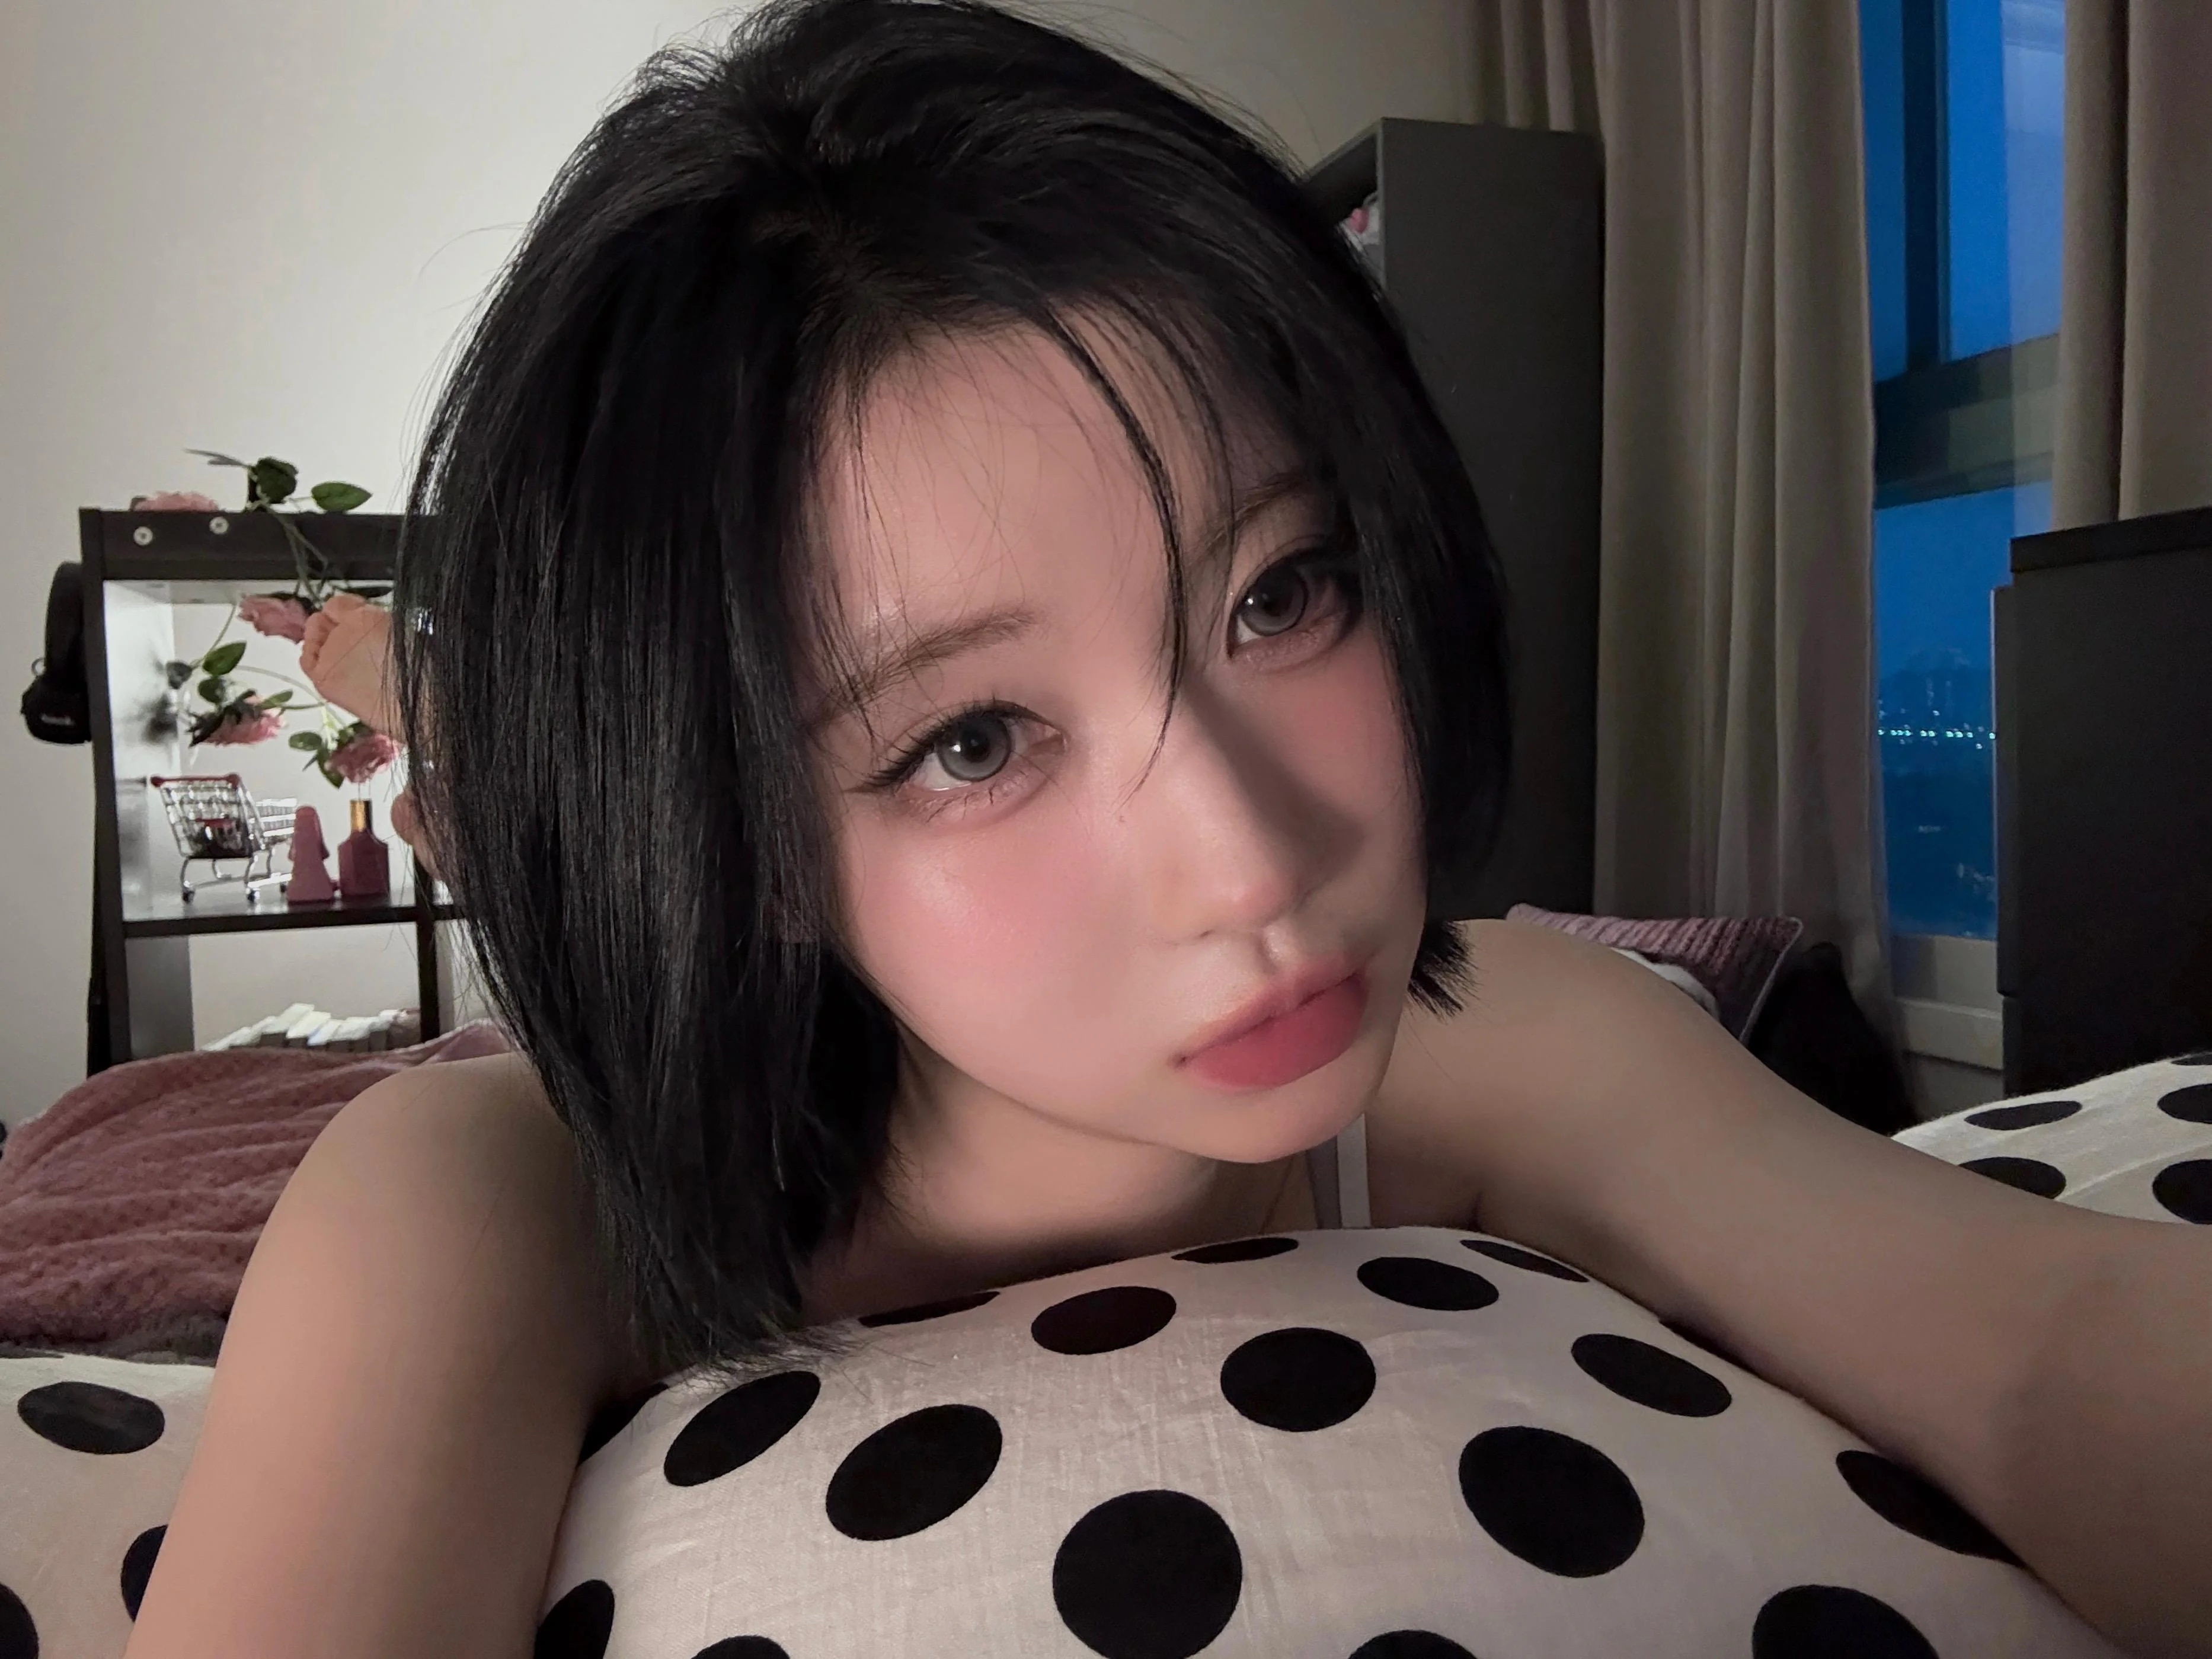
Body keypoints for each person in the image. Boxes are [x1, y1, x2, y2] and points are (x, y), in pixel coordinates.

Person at [126, 3, 2210, 1655]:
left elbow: (2032, 1348)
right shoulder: (489, 1188)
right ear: (742, 843)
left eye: (1280, 595)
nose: (1254, 861)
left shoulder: (1511, 1040)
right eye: (970, 741)